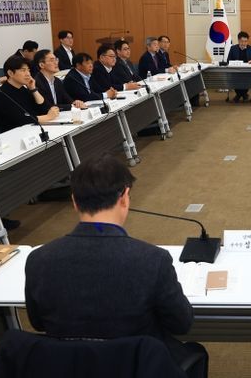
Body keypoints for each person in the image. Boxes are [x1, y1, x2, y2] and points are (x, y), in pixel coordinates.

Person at [24, 154, 208, 378]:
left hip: (67, 368)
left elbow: (38, 323)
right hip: (137, 367)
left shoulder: (38, 259)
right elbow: (181, 324)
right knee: (193, 351)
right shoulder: (152, 259)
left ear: (74, 201)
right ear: (124, 197)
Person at [0, 55, 59, 132]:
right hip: (14, 134)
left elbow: (45, 108)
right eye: (23, 70)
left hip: (31, 130)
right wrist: (47, 117)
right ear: (10, 73)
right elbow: (21, 119)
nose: (28, 74)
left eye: (28, 70)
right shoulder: (2, 94)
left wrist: (33, 89)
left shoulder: (23, 89)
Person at [226, 31, 251, 102]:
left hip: (248, 72)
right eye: (242, 41)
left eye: (246, 41)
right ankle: (243, 95)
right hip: (236, 72)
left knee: (246, 78)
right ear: (238, 40)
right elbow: (228, 60)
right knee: (235, 78)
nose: (244, 43)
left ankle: (239, 95)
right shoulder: (233, 48)